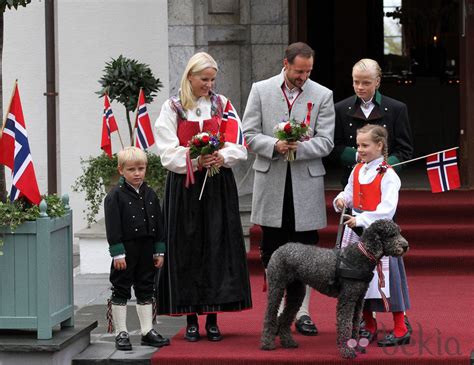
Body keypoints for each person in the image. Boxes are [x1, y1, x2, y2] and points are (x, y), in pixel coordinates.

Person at [154, 52, 252, 342]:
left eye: (212, 79)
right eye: (204, 79)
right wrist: (196, 160)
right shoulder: (172, 108)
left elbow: (239, 143)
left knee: (216, 246)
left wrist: (220, 155)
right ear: (190, 77)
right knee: (186, 248)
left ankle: (213, 318)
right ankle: (190, 318)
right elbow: (166, 151)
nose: (209, 84)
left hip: (217, 183)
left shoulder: (223, 105)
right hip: (185, 186)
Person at [242, 42, 335, 336]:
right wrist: (275, 145)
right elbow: (248, 133)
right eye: (298, 71)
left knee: (306, 248)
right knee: (273, 247)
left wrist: (300, 147)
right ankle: (279, 307)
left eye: (308, 71)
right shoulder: (261, 89)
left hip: (305, 182)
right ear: (285, 64)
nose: (303, 77)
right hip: (272, 180)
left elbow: (327, 141)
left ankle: (303, 312)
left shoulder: (323, 94)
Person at [334, 124, 411, 347]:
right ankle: (368, 325)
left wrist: (361, 219)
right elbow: (349, 192)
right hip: (357, 235)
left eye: (365, 145)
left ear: (379, 145)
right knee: (359, 280)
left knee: (390, 281)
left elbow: (388, 208)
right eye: (358, 145)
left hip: (380, 236)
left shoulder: (388, 175)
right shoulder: (358, 169)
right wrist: (341, 200)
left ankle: (400, 327)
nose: (360, 149)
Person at [104, 147, 170, 351]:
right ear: (121, 170)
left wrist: (159, 251)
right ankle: (121, 332)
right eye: (131, 169)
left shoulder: (150, 193)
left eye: (141, 168)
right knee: (121, 288)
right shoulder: (114, 196)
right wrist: (118, 253)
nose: (137, 173)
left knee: (146, 288)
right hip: (126, 250)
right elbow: (113, 226)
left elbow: (158, 223)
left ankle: (147, 331)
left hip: (147, 249)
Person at [332, 58, 413, 187]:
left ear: (377, 82)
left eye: (366, 83)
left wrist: (385, 166)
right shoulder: (340, 109)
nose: (360, 87)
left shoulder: (397, 109)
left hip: (385, 181)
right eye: (356, 82)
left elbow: (404, 150)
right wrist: (357, 155)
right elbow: (334, 145)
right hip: (351, 181)